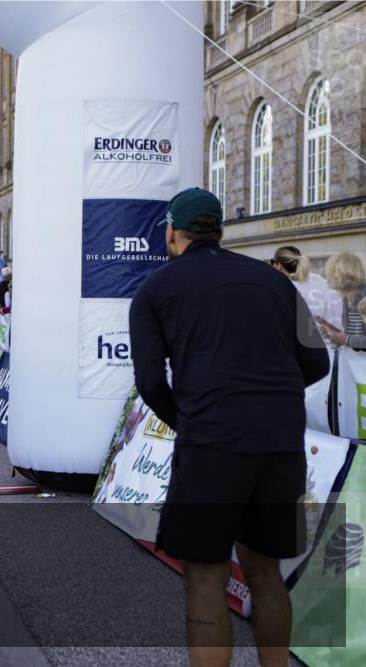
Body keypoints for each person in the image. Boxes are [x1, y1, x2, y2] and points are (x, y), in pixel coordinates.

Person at [128, 188, 329, 667]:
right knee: (266, 573)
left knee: (205, 577)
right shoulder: (276, 282)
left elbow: (151, 381)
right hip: (280, 442)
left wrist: (191, 419)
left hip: (212, 441)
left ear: (172, 233)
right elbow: (318, 361)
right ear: (219, 231)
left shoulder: (154, 289)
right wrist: (271, 398)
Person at [270, 246, 342, 328]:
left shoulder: (281, 287)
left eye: (272, 262)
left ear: (278, 265)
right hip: (331, 337)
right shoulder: (319, 281)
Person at [317, 251, 366, 349]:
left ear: (341, 273)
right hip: (354, 361)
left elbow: (350, 339)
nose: (328, 277)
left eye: (330, 272)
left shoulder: (363, 297)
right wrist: (335, 337)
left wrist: (346, 339)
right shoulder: (345, 298)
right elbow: (353, 339)